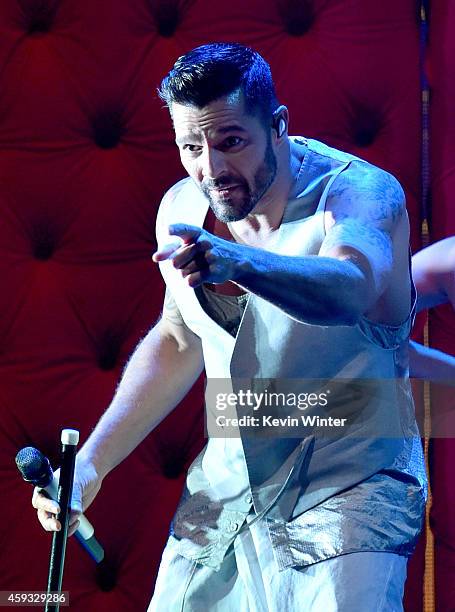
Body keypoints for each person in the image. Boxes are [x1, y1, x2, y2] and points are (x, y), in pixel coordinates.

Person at [32, 42, 427, 611]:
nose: (211, 170)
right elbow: (179, 338)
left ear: (278, 126)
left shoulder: (359, 194)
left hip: (350, 488)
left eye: (230, 142)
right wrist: (92, 464)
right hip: (227, 493)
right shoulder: (183, 207)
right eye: (191, 147)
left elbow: (351, 287)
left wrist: (239, 262)